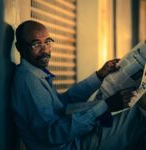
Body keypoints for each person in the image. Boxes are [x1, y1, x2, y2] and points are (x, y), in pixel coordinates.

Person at [11, 20, 146, 150]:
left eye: (47, 42)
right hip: (70, 145)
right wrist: (106, 106)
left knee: (133, 121)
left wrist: (99, 75)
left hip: (72, 140)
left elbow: (62, 104)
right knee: (137, 118)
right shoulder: (29, 82)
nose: (45, 50)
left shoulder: (35, 72)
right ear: (19, 47)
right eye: (36, 44)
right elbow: (53, 134)